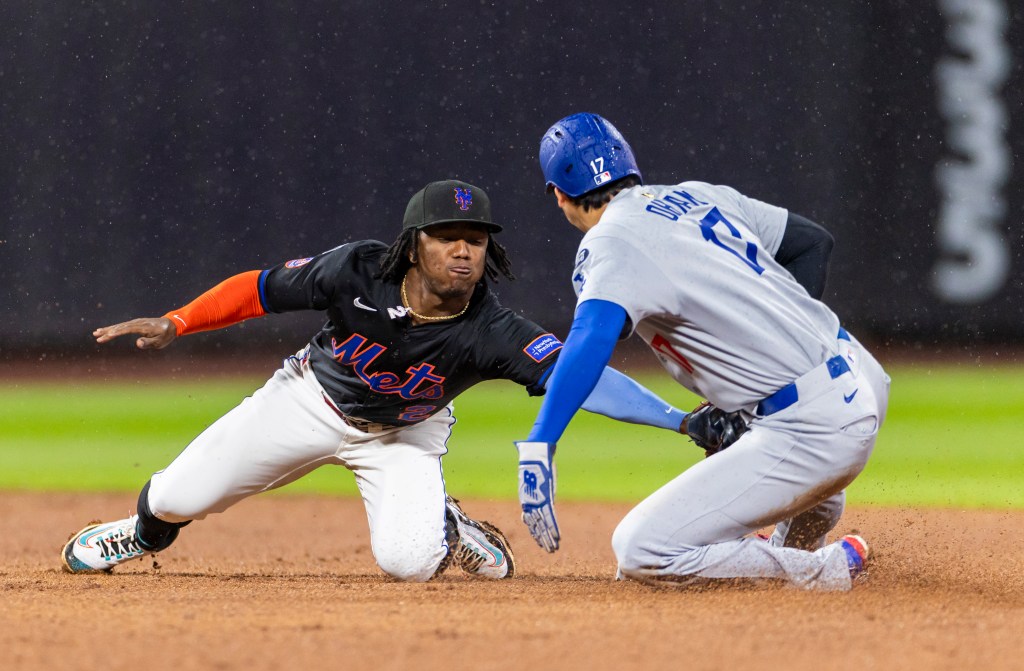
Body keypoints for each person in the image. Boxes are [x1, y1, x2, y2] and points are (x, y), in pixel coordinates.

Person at [63, 179, 695, 582]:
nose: (463, 251)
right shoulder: (356, 269)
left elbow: (584, 377)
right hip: (310, 400)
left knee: (410, 564)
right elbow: (258, 290)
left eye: (475, 240)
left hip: (404, 435)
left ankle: (448, 527)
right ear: (413, 244)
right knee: (176, 498)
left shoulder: (493, 328)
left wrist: (681, 419)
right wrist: (179, 322)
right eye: (447, 237)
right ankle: (139, 535)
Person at [515, 114, 891, 591]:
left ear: (559, 194)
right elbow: (812, 244)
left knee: (640, 551)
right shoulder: (701, 194)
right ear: (629, 165)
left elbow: (591, 337)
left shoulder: (610, 240)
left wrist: (541, 442)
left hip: (811, 428)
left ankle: (827, 569)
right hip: (860, 380)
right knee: (770, 445)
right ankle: (812, 504)